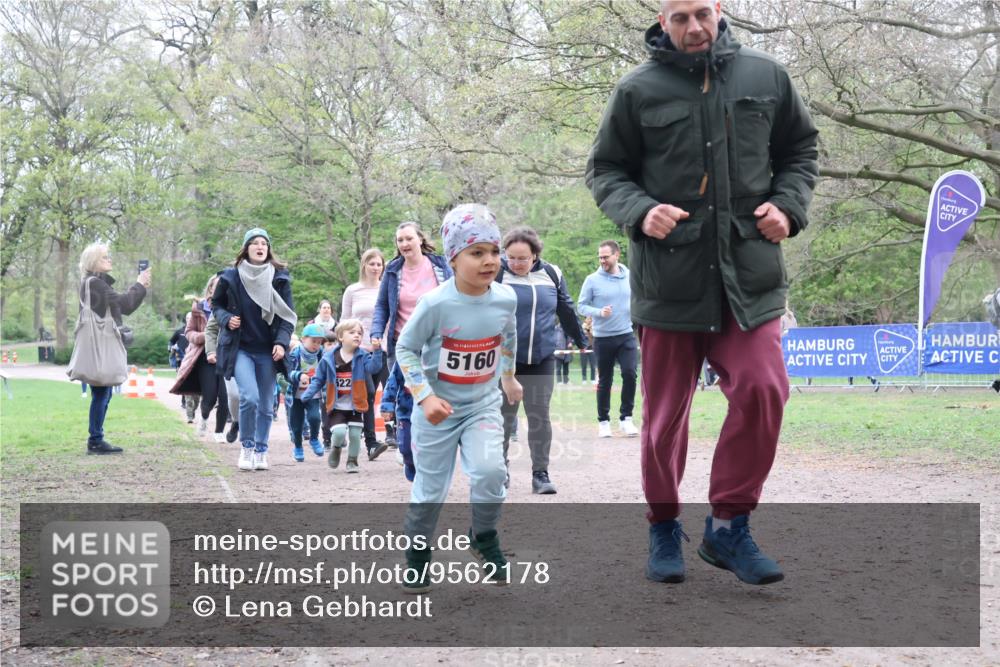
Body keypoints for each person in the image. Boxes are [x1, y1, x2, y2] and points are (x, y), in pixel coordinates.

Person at [586, 0, 818, 585]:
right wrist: (639, 211)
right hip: (671, 283)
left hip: (750, 278)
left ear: (720, 11)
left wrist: (789, 208)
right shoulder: (637, 89)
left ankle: (728, 525)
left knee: (766, 389)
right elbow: (606, 170)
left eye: (701, 14)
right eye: (679, 17)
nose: (693, 28)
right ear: (661, 21)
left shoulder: (766, 76)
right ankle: (664, 524)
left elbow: (801, 152)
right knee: (664, 421)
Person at [396, 203, 522, 594]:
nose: (490, 261)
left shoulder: (505, 299)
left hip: (482, 404)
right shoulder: (435, 303)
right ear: (453, 258)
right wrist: (425, 396)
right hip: (437, 411)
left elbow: (508, 338)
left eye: (494, 252)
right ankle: (417, 555)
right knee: (431, 491)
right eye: (477, 253)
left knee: (491, 472)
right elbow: (405, 350)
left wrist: (509, 377)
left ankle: (483, 537)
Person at [496, 226, 587, 494]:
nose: (516, 263)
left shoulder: (551, 274)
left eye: (522, 258)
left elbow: (566, 310)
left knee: (539, 416)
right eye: (511, 257)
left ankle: (540, 474)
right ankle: (499, 470)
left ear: (535, 255)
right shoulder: (497, 274)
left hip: (541, 357)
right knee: (503, 417)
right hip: (505, 360)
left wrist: (581, 339)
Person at [212, 228, 297, 472]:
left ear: (268, 249)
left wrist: (281, 343)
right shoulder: (231, 277)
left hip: (268, 351)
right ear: (246, 248)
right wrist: (227, 317)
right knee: (249, 397)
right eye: (255, 243)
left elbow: (287, 317)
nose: (260, 247)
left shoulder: (279, 278)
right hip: (240, 349)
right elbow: (216, 304)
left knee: (267, 403)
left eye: (264, 244)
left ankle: (261, 450)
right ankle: (247, 447)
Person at [76, 242, 151, 454]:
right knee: (102, 391)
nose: (109, 260)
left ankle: (96, 437)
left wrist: (139, 287)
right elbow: (125, 304)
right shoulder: (94, 284)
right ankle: (95, 440)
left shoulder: (93, 283)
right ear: (93, 262)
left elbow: (120, 305)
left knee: (103, 392)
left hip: (99, 343)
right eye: (104, 257)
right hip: (101, 344)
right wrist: (140, 284)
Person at [301, 319, 383, 473]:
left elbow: (374, 367)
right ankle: (336, 448)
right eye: (352, 333)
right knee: (338, 433)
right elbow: (319, 379)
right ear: (340, 337)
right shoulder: (328, 357)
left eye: (359, 333)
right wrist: (308, 394)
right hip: (336, 404)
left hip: (356, 404)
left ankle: (352, 461)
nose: (357, 336)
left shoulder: (363, 355)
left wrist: (377, 351)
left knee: (355, 434)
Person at [577, 240, 638, 438]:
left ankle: (626, 419)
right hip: (603, 338)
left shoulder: (630, 275)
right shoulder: (592, 280)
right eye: (600, 257)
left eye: (606, 257)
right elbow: (581, 306)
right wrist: (598, 312)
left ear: (617, 255)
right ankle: (603, 421)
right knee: (605, 380)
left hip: (626, 334)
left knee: (630, 373)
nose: (602, 260)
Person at [342, 247, 390, 458]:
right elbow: (344, 321)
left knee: (392, 392)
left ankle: (394, 432)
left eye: (379, 264)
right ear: (364, 265)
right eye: (372, 263)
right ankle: (371, 442)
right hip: (361, 351)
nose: (375, 267)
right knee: (368, 394)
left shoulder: (387, 288)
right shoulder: (353, 290)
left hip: (385, 348)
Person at [284, 323, 327, 462]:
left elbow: (326, 370)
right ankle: (298, 446)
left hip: (313, 394)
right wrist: (298, 375)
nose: (316, 344)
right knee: (296, 423)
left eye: (319, 342)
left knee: (315, 417)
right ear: (303, 339)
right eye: (313, 341)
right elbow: (287, 372)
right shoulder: (295, 353)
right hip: (296, 395)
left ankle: (314, 439)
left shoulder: (321, 353)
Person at [380, 361, 415, 482]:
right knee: (406, 448)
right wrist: (387, 405)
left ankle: (424, 481)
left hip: (431, 413)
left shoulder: (438, 352)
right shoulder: (405, 355)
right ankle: (410, 466)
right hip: (407, 411)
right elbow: (392, 382)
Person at [580, 317, 596, 384]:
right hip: (583, 347)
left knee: (593, 365)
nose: (589, 320)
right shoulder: (582, 327)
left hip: (591, 347)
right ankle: (584, 379)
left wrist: (589, 330)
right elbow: (580, 336)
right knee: (584, 365)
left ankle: (593, 379)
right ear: (585, 320)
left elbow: (594, 335)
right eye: (588, 319)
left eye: (590, 319)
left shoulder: (593, 327)